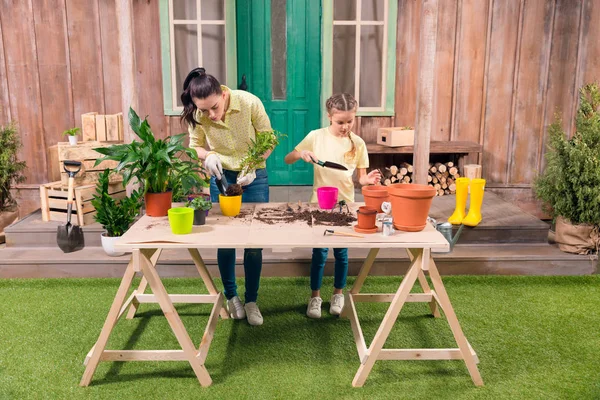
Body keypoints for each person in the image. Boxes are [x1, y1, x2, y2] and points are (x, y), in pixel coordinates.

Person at [181, 67, 274, 326]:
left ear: (222, 93)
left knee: (254, 240)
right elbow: (195, 146)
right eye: (204, 110)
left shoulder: (249, 102)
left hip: (252, 175)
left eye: (213, 107)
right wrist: (208, 156)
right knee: (225, 239)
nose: (210, 115)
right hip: (221, 174)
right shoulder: (198, 114)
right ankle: (232, 297)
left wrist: (254, 165)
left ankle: (252, 300)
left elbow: (269, 139)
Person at [284, 93, 381, 318]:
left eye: (349, 121)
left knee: (341, 254)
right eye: (340, 122)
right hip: (319, 205)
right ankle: (315, 297)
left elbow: (360, 178)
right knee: (319, 253)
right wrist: (301, 154)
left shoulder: (358, 143)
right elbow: (288, 158)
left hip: (345, 207)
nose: (345, 126)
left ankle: (338, 294)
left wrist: (367, 181)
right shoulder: (315, 137)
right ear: (329, 117)